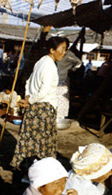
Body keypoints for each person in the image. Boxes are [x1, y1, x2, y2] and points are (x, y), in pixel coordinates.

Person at [11, 37, 69, 173]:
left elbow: (28, 82)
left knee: (30, 140)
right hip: (43, 109)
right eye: (62, 49)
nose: (64, 53)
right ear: (52, 50)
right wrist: (29, 100)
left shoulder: (40, 62)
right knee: (42, 144)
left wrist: (27, 98)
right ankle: (40, 172)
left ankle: (25, 168)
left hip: (33, 108)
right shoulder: (50, 66)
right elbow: (44, 90)